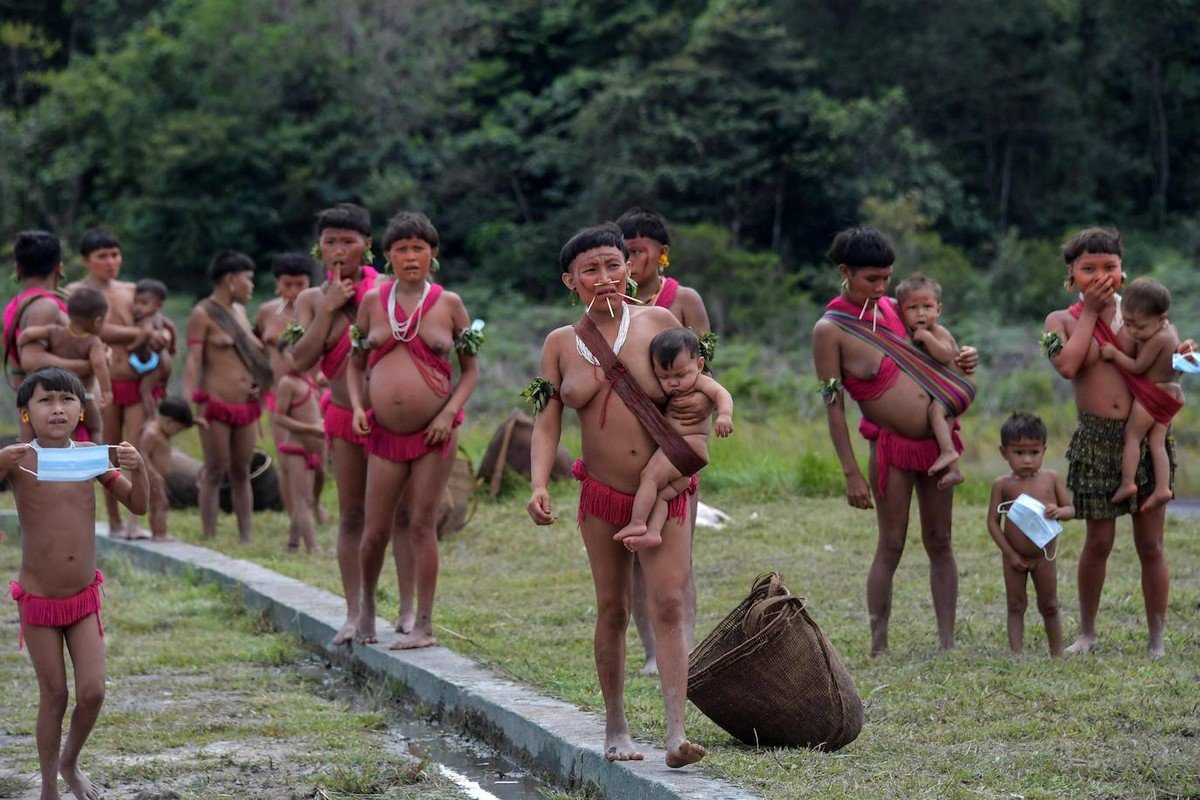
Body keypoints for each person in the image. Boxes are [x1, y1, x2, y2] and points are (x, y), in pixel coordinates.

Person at [527, 223, 706, 768]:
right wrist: (538, 483)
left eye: (613, 265)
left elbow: (692, 389)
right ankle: (616, 727)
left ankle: (677, 734)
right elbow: (546, 424)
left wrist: (704, 419)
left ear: (628, 267)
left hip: (667, 489)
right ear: (570, 280)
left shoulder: (659, 322)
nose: (604, 278)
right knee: (612, 609)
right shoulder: (560, 344)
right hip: (601, 497)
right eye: (590, 270)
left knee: (670, 603)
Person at [812, 227, 977, 656]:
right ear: (845, 273)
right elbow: (834, 406)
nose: (882, 287)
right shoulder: (830, 330)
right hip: (890, 450)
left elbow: (941, 351)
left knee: (940, 540)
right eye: (872, 279)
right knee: (892, 543)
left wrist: (964, 357)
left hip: (937, 444)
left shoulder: (897, 307)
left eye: (887, 277)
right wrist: (850, 473)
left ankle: (947, 642)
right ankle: (879, 644)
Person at [2, 366, 148, 800]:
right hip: (39, 602)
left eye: (67, 399)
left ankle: (70, 761)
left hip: (82, 599)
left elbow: (137, 505)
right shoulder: (18, 459)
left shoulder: (89, 456)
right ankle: (49, 785)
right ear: (25, 413)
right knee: (55, 694)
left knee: (93, 691)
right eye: (45, 400)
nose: (57, 408)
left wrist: (138, 470)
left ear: (81, 409)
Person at [1043, 227, 1182, 656]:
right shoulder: (1059, 321)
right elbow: (1067, 365)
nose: (1099, 275)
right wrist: (1090, 313)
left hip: (1143, 433)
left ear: (1123, 272)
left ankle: (1156, 637)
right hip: (1097, 440)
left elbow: (1169, 363)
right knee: (1098, 541)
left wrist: (1184, 354)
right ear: (1071, 273)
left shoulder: (1143, 314)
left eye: (1109, 267)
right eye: (1088, 268)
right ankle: (1087, 632)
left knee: (1150, 544)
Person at [347, 211, 479, 649]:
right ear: (386, 256)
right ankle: (365, 610)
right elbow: (355, 364)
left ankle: (423, 623)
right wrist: (357, 407)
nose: (410, 256)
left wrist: (447, 414)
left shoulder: (449, 303)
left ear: (432, 254)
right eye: (401, 249)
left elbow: (470, 372)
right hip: (383, 434)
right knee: (375, 528)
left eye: (418, 248)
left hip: (434, 435)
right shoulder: (372, 302)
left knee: (422, 524)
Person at [291, 203, 399, 645]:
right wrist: (330, 307)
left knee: (396, 517)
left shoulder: (390, 290)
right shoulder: (310, 299)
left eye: (348, 241)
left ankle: (403, 611)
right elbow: (300, 360)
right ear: (319, 248)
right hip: (340, 416)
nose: (339, 250)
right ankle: (354, 612)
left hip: (392, 418)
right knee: (352, 515)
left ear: (368, 246)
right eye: (330, 242)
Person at [616, 207, 711, 674]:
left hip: (678, 437)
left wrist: (703, 408)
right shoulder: (611, 304)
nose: (632, 261)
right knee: (636, 550)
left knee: (679, 541)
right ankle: (653, 648)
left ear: (661, 254)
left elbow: (707, 364)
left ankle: (683, 642)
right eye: (625, 252)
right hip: (632, 438)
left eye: (639, 251)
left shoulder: (684, 299)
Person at [66, 228, 169, 540]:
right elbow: (95, 330)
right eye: (102, 256)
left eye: (115, 255)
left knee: (136, 450)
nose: (111, 262)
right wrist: (138, 335)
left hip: (136, 384)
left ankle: (137, 520)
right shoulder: (75, 292)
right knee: (106, 452)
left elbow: (157, 321)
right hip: (102, 384)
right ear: (86, 260)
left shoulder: (131, 289)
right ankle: (114, 522)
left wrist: (161, 335)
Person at [181, 250, 273, 542]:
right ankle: (209, 534)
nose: (252, 286)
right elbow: (193, 361)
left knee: (242, 470)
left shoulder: (243, 314)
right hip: (215, 405)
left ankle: (245, 536)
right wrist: (185, 405)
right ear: (231, 279)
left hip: (245, 406)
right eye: (248, 279)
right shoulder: (203, 314)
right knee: (214, 470)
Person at [614, 328, 733, 551]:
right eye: (665, 377)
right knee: (660, 495)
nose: (674, 383)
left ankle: (637, 523)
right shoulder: (679, 385)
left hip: (684, 447)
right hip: (687, 462)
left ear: (698, 365)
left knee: (649, 477)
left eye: (680, 375)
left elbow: (721, 394)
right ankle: (653, 533)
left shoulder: (699, 382)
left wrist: (724, 415)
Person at [986, 413, 1073, 656]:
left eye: (1034, 453)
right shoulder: (1003, 485)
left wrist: (1059, 511)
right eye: (1019, 453)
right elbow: (993, 523)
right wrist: (1010, 554)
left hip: (1044, 557)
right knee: (1015, 604)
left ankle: (1057, 654)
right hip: (1014, 558)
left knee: (1050, 604)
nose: (1027, 460)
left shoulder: (1051, 479)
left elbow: (1071, 509)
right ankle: (1016, 653)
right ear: (1004, 452)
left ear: (1044, 450)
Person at [1097, 278, 1182, 512]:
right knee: (1156, 442)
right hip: (1171, 394)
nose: (1133, 331)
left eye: (1140, 327)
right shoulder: (1167, 331)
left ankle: (1127, 483)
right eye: (1128, 324)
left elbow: (1137, 367)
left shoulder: (1160, 338)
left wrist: (1114, 353)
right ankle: (1163, 488)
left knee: (1132, 436)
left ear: (1161, 318)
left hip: (1153, 396)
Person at [255, 251, 327, 524]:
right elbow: (259, 353)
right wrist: (256, 385)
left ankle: (315, 503)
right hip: (277, 393)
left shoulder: (320, 310)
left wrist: (322, 376)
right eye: (288, 285)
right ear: (277, 283)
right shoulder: (266, 312)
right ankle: (296, 514)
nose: (295, 291)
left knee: (318, 457)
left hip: (312, 393)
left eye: (301, 284)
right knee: (286, 456)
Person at [893, 273, 969, 486]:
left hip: (955, 389)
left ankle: (946, 451)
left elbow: (945, 356)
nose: (920, 314)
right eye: (912, 308)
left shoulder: (938, 331)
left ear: (939, 309)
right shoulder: (908, 334)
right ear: (901, 311)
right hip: (947, 391)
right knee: (944, 422)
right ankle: (954, 470)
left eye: (927, 307)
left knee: (935, 412)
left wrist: (927, 338)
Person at [17, 288, 113, 442]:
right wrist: (107, 391)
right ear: (97, 321)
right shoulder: (92, 341)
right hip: (83, 396)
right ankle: (95, 453)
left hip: (58, 392)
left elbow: (27, 334)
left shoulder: (55, 331)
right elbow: (98, 363)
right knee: (96, 427)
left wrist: (20, 345)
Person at [3, 231, 79, 395]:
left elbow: (17, 372)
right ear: (59, 268)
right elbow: (32, 361)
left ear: (17, 269)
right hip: (61, 411)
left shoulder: (14, 305)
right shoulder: (45, 306)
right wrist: (90, 365)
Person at [274, 367, 325, 554]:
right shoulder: (287, 383)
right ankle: (313, 548)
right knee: (302, 500)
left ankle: (292, 545)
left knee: (306, 499)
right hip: (295, 449)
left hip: (311, 450)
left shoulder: (308, 381)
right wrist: (309, 429)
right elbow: (279, 417)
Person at [138, 397, 195, 543]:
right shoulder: (152, 433)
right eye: (178, 429)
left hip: (159, 477)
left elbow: (184, 424)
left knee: (159, 504)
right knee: (161, 504)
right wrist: (153, 473)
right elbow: (142, 455)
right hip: (153, 477)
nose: (177, 433)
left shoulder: (163, 431)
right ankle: (159, 534)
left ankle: (157, 532)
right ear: (169, 420)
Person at [129, 279, 176, 418]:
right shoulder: (160, 317)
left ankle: (151, 419)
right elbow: (172, 327)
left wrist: (132, 347)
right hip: (166, 359)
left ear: (159, 305)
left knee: (145, 390)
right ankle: (165, 399)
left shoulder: (147, 319)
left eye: (143, 303)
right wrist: (173, 346)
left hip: (158, 363)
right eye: (136, 302)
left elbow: (146, 332)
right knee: (162, 390)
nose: (138, 307)